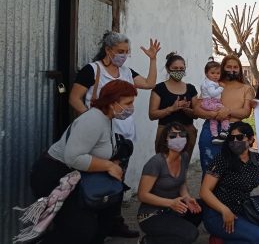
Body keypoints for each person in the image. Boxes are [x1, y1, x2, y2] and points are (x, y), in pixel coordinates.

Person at [68, 31, 160, 238]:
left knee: (117, 181)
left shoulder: (126, 72)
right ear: (108, 50)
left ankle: (113, 222)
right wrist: (92, 121)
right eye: (120, 51)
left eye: (127, 52)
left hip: (123, 137)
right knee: (97, 180)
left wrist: (153, 60)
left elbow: (149, 83)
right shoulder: (92, 70)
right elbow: (75, 98)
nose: (124, 55)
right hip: (100, 139)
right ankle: (93, 224)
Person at [30, 80, 137, 243]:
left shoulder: (107, 118)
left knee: (97, 223)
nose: (131, 108)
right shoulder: (93, 119)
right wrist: (108, 165)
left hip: (73, 176)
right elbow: (73, 157)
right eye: (128, 103)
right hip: (54, 176)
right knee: (78, 230)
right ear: (112, 102)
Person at [200, 121, 259, 244]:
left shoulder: (256, 159)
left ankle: (234, 235)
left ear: (251, 140)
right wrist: (224, 210)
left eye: (240, 137)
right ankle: (224, 239)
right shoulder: (222, 158)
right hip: (219, 213)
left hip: (243, 208)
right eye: (232, 138)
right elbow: (204, 192)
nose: (235, 141)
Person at [137, 122, 203, 244]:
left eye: (182, 134)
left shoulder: (184, 156)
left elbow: (181, 182)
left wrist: (187, 198)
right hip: (152, 215)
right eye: (173, 136)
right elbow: (142, 195)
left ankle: (175, 235)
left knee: (201, 207)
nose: (178, 138)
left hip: (173, 209)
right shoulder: (156, 162)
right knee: (191, 234)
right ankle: (148, 241)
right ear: (165, 140)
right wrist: (170, 203)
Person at [193, 54, 254, 172]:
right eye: (229, 67)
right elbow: (197, 109)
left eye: (235, 67)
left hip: (235, 134)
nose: (232, 70)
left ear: (240, 69)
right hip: (211, 131)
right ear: (222, 68)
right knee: (210, 170)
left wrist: (227, 112)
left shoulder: (246, 88)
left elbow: (246, 112)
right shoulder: (212, 85)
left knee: (233, 173)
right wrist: (213, 115)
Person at [149, 52, 198, 157]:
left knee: (183, 166)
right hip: (166, 133)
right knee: (164, 167)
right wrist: (171, 109)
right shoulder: (159, 88)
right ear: (168, 69)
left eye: (181, 68)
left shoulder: (191, 88)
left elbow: (196, 114)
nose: (178, 71)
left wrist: (186, 109)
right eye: (175, 68)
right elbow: (152, 115)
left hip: (188, 132)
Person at [199, 61, 230, 144]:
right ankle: (224, 130)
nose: (215, 75)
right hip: (211, 102)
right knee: (225, 113)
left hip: (207, 103)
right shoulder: (210, 84)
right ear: (206, 73)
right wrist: (221, 88)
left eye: (218, 73)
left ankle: (215, 136)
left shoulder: (206, 82)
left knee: (213, 120)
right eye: (212, 73)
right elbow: (213, 93)